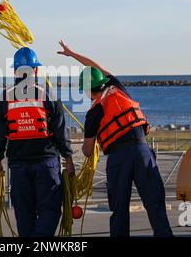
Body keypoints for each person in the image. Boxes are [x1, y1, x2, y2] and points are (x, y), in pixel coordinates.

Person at [58, 40, 173, 237]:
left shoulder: (94, 112)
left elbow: (87, 150)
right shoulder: (116, 87)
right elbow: (94, 67)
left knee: (119, 212)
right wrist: (73, 54)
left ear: (87, 90)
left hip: (119, 159)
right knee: (156, 206)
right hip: (142, 152)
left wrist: (92, 140)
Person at [0, 47, 75, 237]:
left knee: (24, 214)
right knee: (50, 210)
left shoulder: (4, 97)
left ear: (15, 71)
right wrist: (68, 159)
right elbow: (61, 131)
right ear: (36, 70)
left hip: (19, 165)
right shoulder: (49, 95)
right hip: (47, 164)